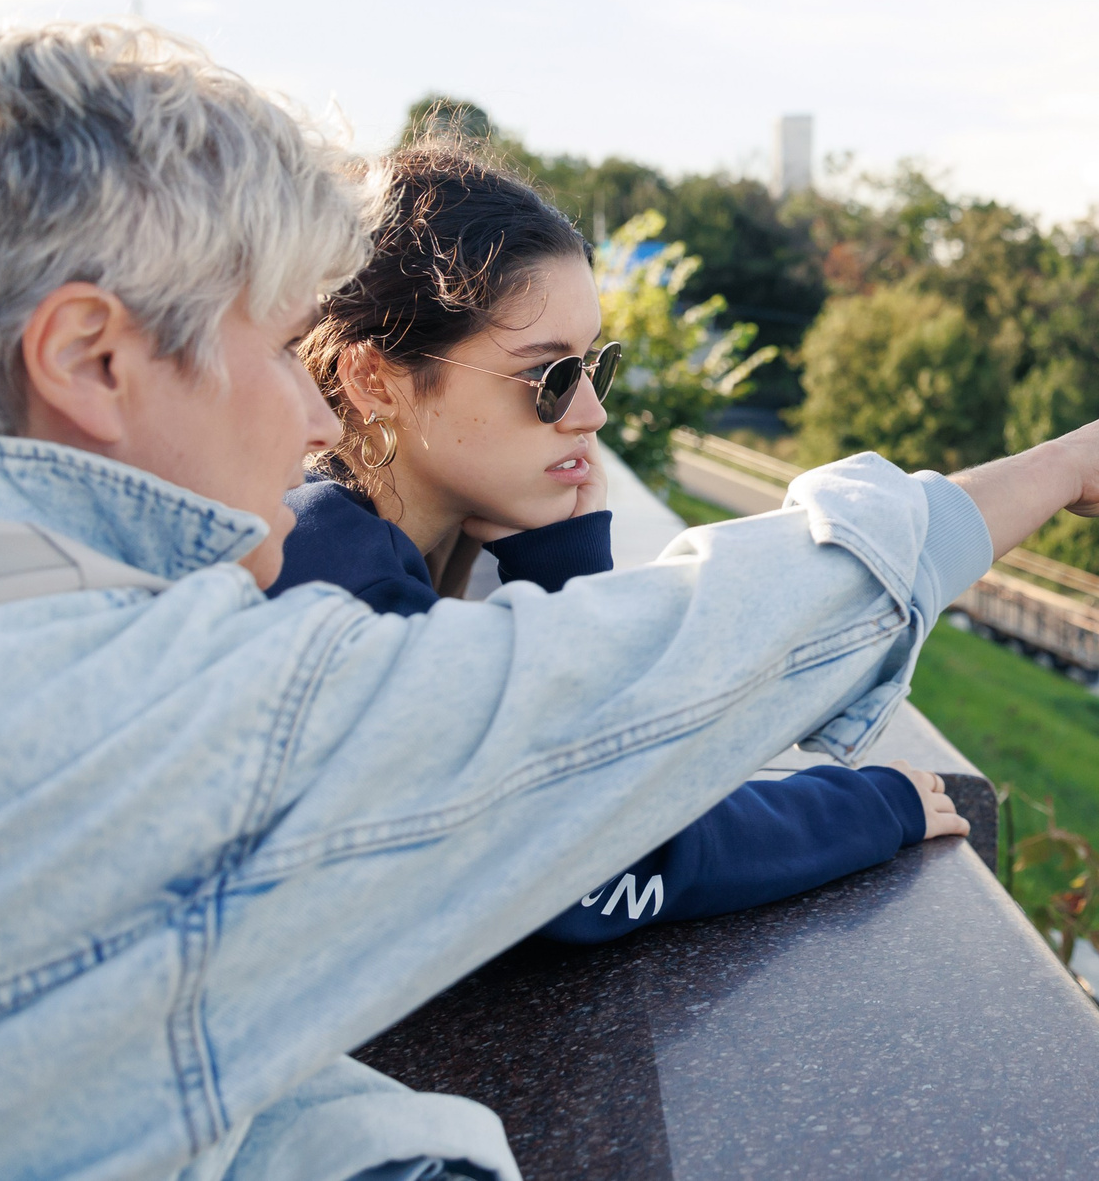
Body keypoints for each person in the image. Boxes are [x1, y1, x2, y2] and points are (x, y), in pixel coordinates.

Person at [0, 20, 1099, 1181]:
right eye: (263, 335)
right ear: (91, 353)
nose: (303, 398)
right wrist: (1034, 480)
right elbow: (604, 717)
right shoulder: (125, 706)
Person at [269, 141, 969, 939]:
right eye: (548, 378)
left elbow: (577, 776)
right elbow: (590, 858)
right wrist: (870, 808)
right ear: (374, 379)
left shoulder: (364, 539)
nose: (591, 413)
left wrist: (564, 568)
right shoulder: (325, 573)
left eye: (594, 367)